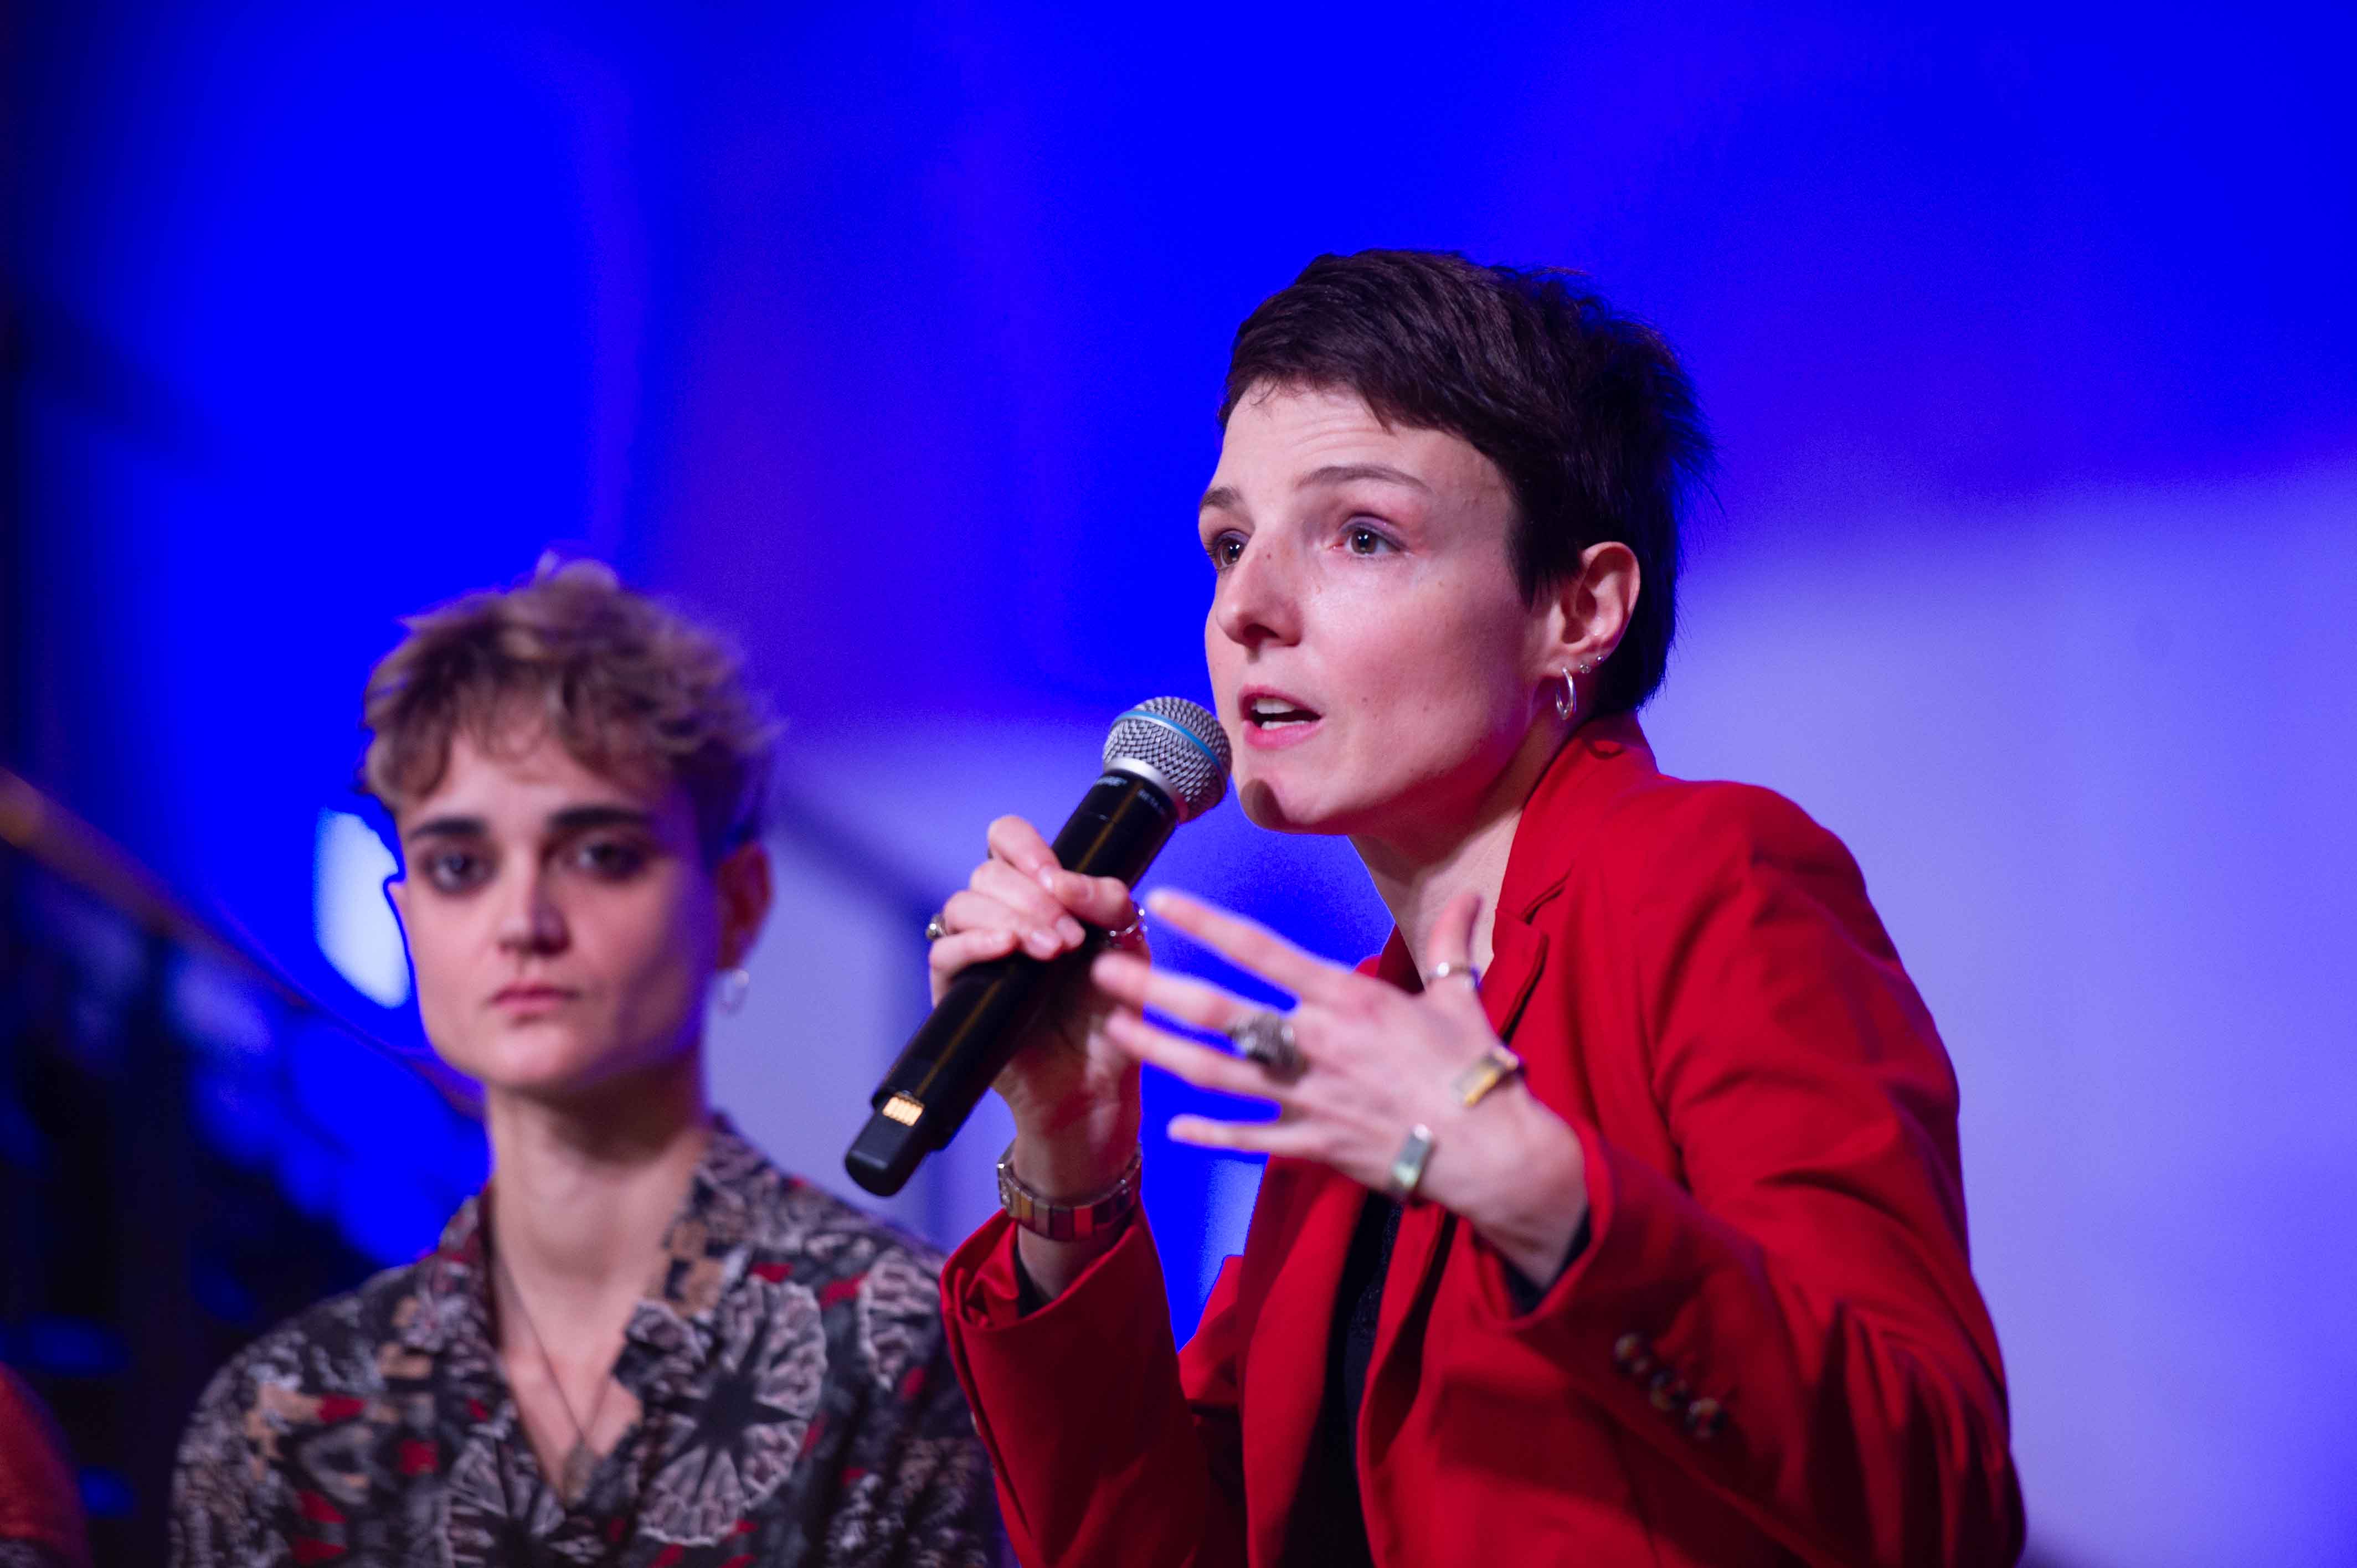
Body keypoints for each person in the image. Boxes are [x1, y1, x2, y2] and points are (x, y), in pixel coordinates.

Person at [927, 251, 2024, 1566]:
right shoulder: (1371, 1037)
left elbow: (1936, 1501)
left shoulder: (1711, 881)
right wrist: (1073, 1156)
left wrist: (1540, 1192)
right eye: (1228, 543)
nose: (1245, 612)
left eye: (1362, 536)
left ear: (1580, 608)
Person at [171, 560, 999, 1565]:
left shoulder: (892, 1340)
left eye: (600, 853)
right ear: (407, 919)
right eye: (459, 867)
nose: (523, 923)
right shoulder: (283, 1414)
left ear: (735, 904)